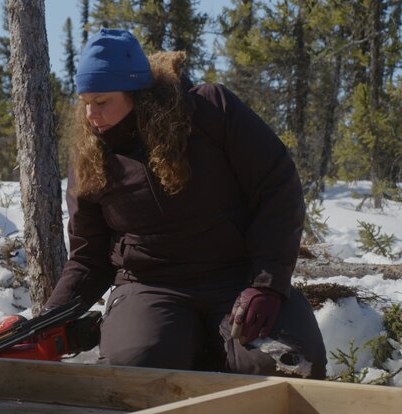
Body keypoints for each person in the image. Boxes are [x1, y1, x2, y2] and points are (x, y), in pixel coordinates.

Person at [45, 29, 327, 378]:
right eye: (85, 101)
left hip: (237, 279)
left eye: (102, 102)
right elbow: (89, 256)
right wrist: (50, 318)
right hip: (148, 287)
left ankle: (215, 349)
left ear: (138, 95)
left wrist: (267, 285)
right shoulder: (89, 158)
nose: (91, 114)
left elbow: (278, 188)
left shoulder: (211, 111)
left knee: (288, 366)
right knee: (137, 370)